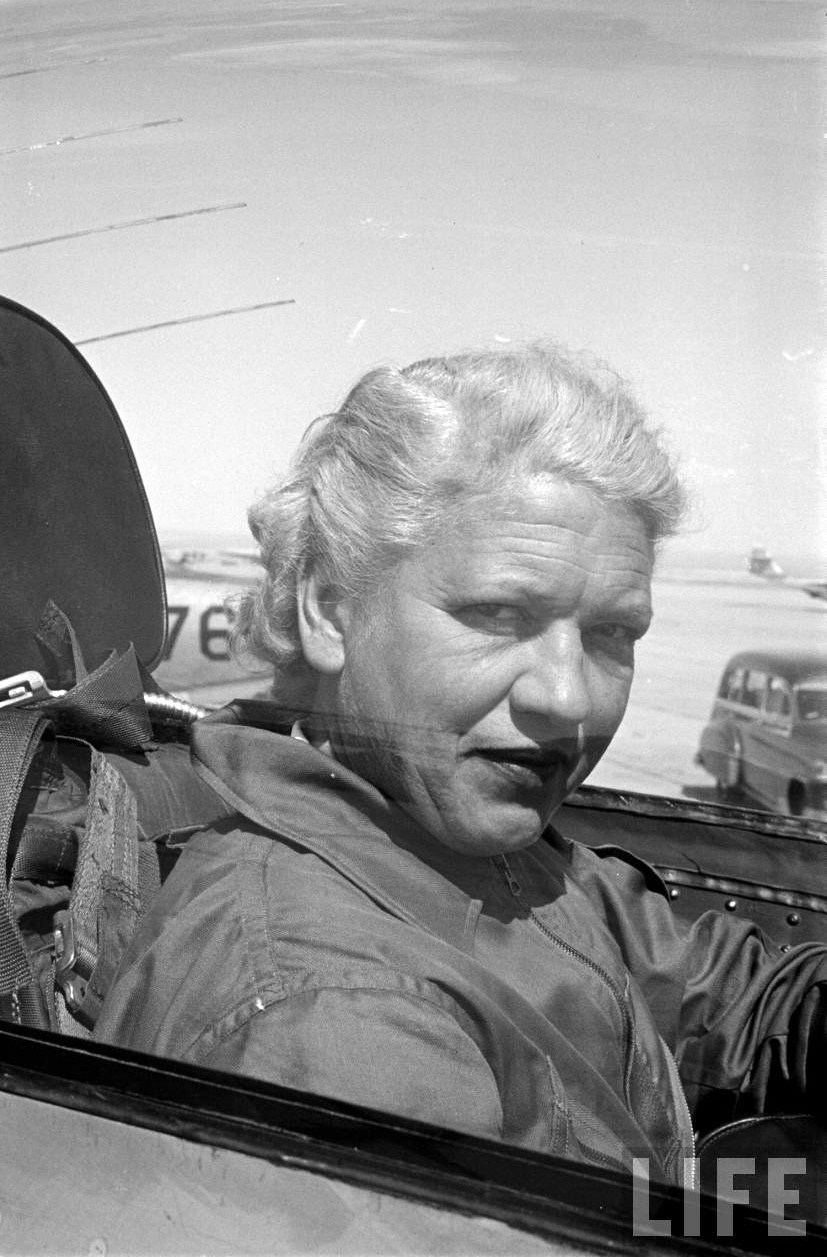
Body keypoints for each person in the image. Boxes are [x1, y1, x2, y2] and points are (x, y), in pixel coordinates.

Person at [95, 343, 827, 1186]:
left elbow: (722, 992)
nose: (569, 697)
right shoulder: (336, 1015)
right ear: (331, 612)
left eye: (612, 634)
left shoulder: (479, 839)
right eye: (497, 614)